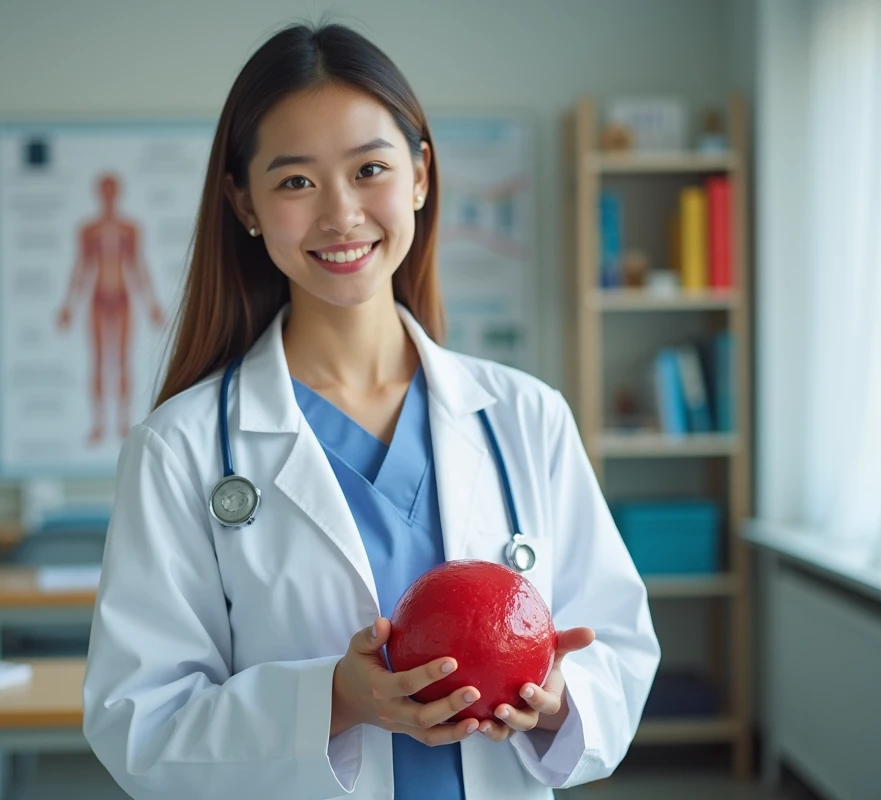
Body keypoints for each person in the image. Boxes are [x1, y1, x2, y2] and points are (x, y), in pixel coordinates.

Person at [83, 21, 660, 800]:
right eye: (296, 182)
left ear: (420, 176)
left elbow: (617, 648)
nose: (341, 214)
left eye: (370, 169)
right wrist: (331, 702)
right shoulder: (179, 450)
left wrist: (559, 703)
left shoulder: (526, 417)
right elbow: (139, 724)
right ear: (244, 202)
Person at [57, 173, 166, 445]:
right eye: (104, 190)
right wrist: (69, 305)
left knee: (122, 360)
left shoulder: (129, 228)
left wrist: (151, 304)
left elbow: (137, 266)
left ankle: (123, 422)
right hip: (98, 297)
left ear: (117, 193)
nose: (108, 195)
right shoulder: (89, 229)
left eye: (111, 190)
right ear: (99, 193)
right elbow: (81, 267)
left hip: (122, 297)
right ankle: (99, 423)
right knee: (98, 360)